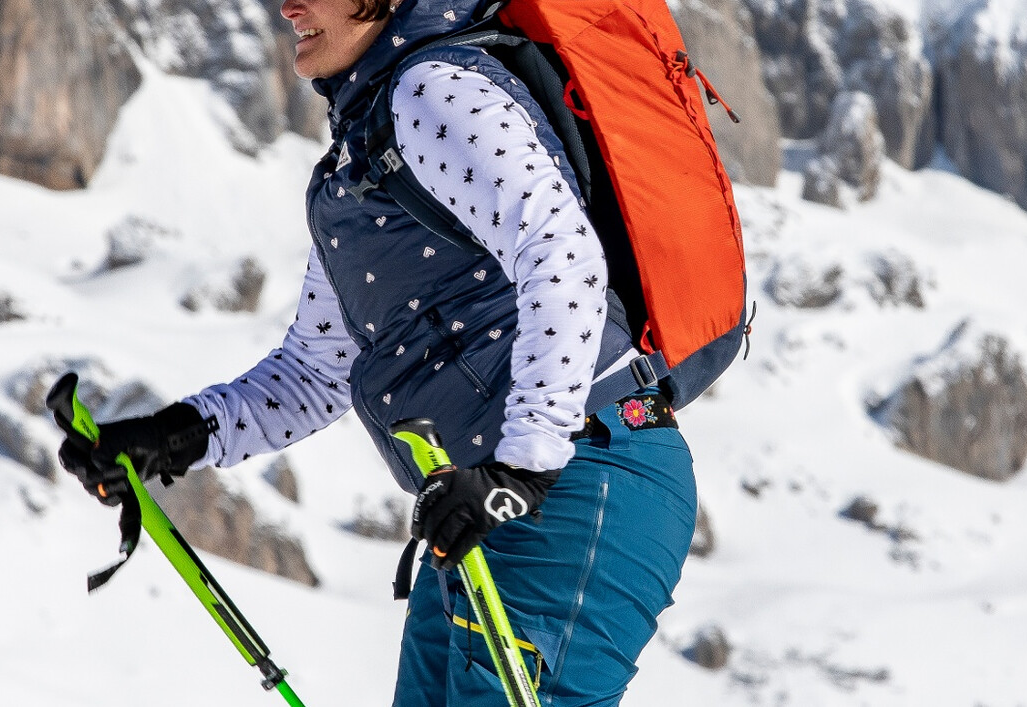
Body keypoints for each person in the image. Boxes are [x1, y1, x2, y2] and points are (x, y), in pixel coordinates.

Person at [55, 0, 697, 703]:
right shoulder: (363, 150)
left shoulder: (434, 93)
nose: (287, 4)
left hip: (574, 480)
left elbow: (562, 251)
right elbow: (317, 368)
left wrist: (526, 463)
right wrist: (173, 436)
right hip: (484, 500)